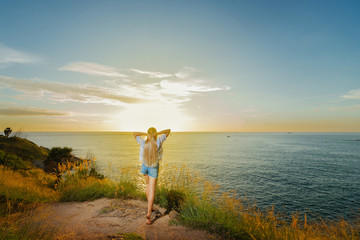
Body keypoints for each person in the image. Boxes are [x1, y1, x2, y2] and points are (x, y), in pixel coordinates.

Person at [133, 127, 171, 225]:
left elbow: (135, 133)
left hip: (145, 166)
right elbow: (168, 131)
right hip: (153, 168)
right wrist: (157, 133)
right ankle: (149, 213)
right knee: (152, 190)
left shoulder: (143, 142)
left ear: (148, 134)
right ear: (155, 134)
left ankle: (151, 207)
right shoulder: (158, 141)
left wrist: (146, 135)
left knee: (148, 186)